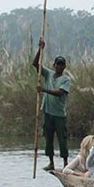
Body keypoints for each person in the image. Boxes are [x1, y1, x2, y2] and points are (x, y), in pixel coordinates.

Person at [33, 37, 71, 171]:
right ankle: (51, 162)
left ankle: (66, 164)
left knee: (62, 140)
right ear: (54, 65)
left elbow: (60, 93)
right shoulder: (49, 74)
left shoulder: (66, 80)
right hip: (48, 113)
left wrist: (44, 90)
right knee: (48, 139)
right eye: (57, 64)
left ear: (64, 66)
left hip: (59, 115)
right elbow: (35, 64)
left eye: (62, 64)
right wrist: (40, 49)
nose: (59, 66)